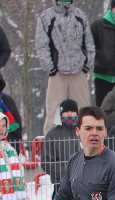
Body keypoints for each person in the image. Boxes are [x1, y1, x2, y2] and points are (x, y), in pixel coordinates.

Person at [35, 0, 95, 134]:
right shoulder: (46, 17)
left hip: (78, 72)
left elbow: (89, 42)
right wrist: (51, 68)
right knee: (53, 112)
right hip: (57, 73)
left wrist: (87, 65)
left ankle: (86, 142)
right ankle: (50, 143)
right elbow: (41, 45)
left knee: (84, 111)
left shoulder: (80, 15)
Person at [41, 99, 81, 200]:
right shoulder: (52, 134)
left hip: (83, 187)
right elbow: (46, 162)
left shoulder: (83, 131)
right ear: (61, 114)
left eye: (73, 111)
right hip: (61, 188)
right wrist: (67, 172)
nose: (70, 115)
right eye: (66, 112)